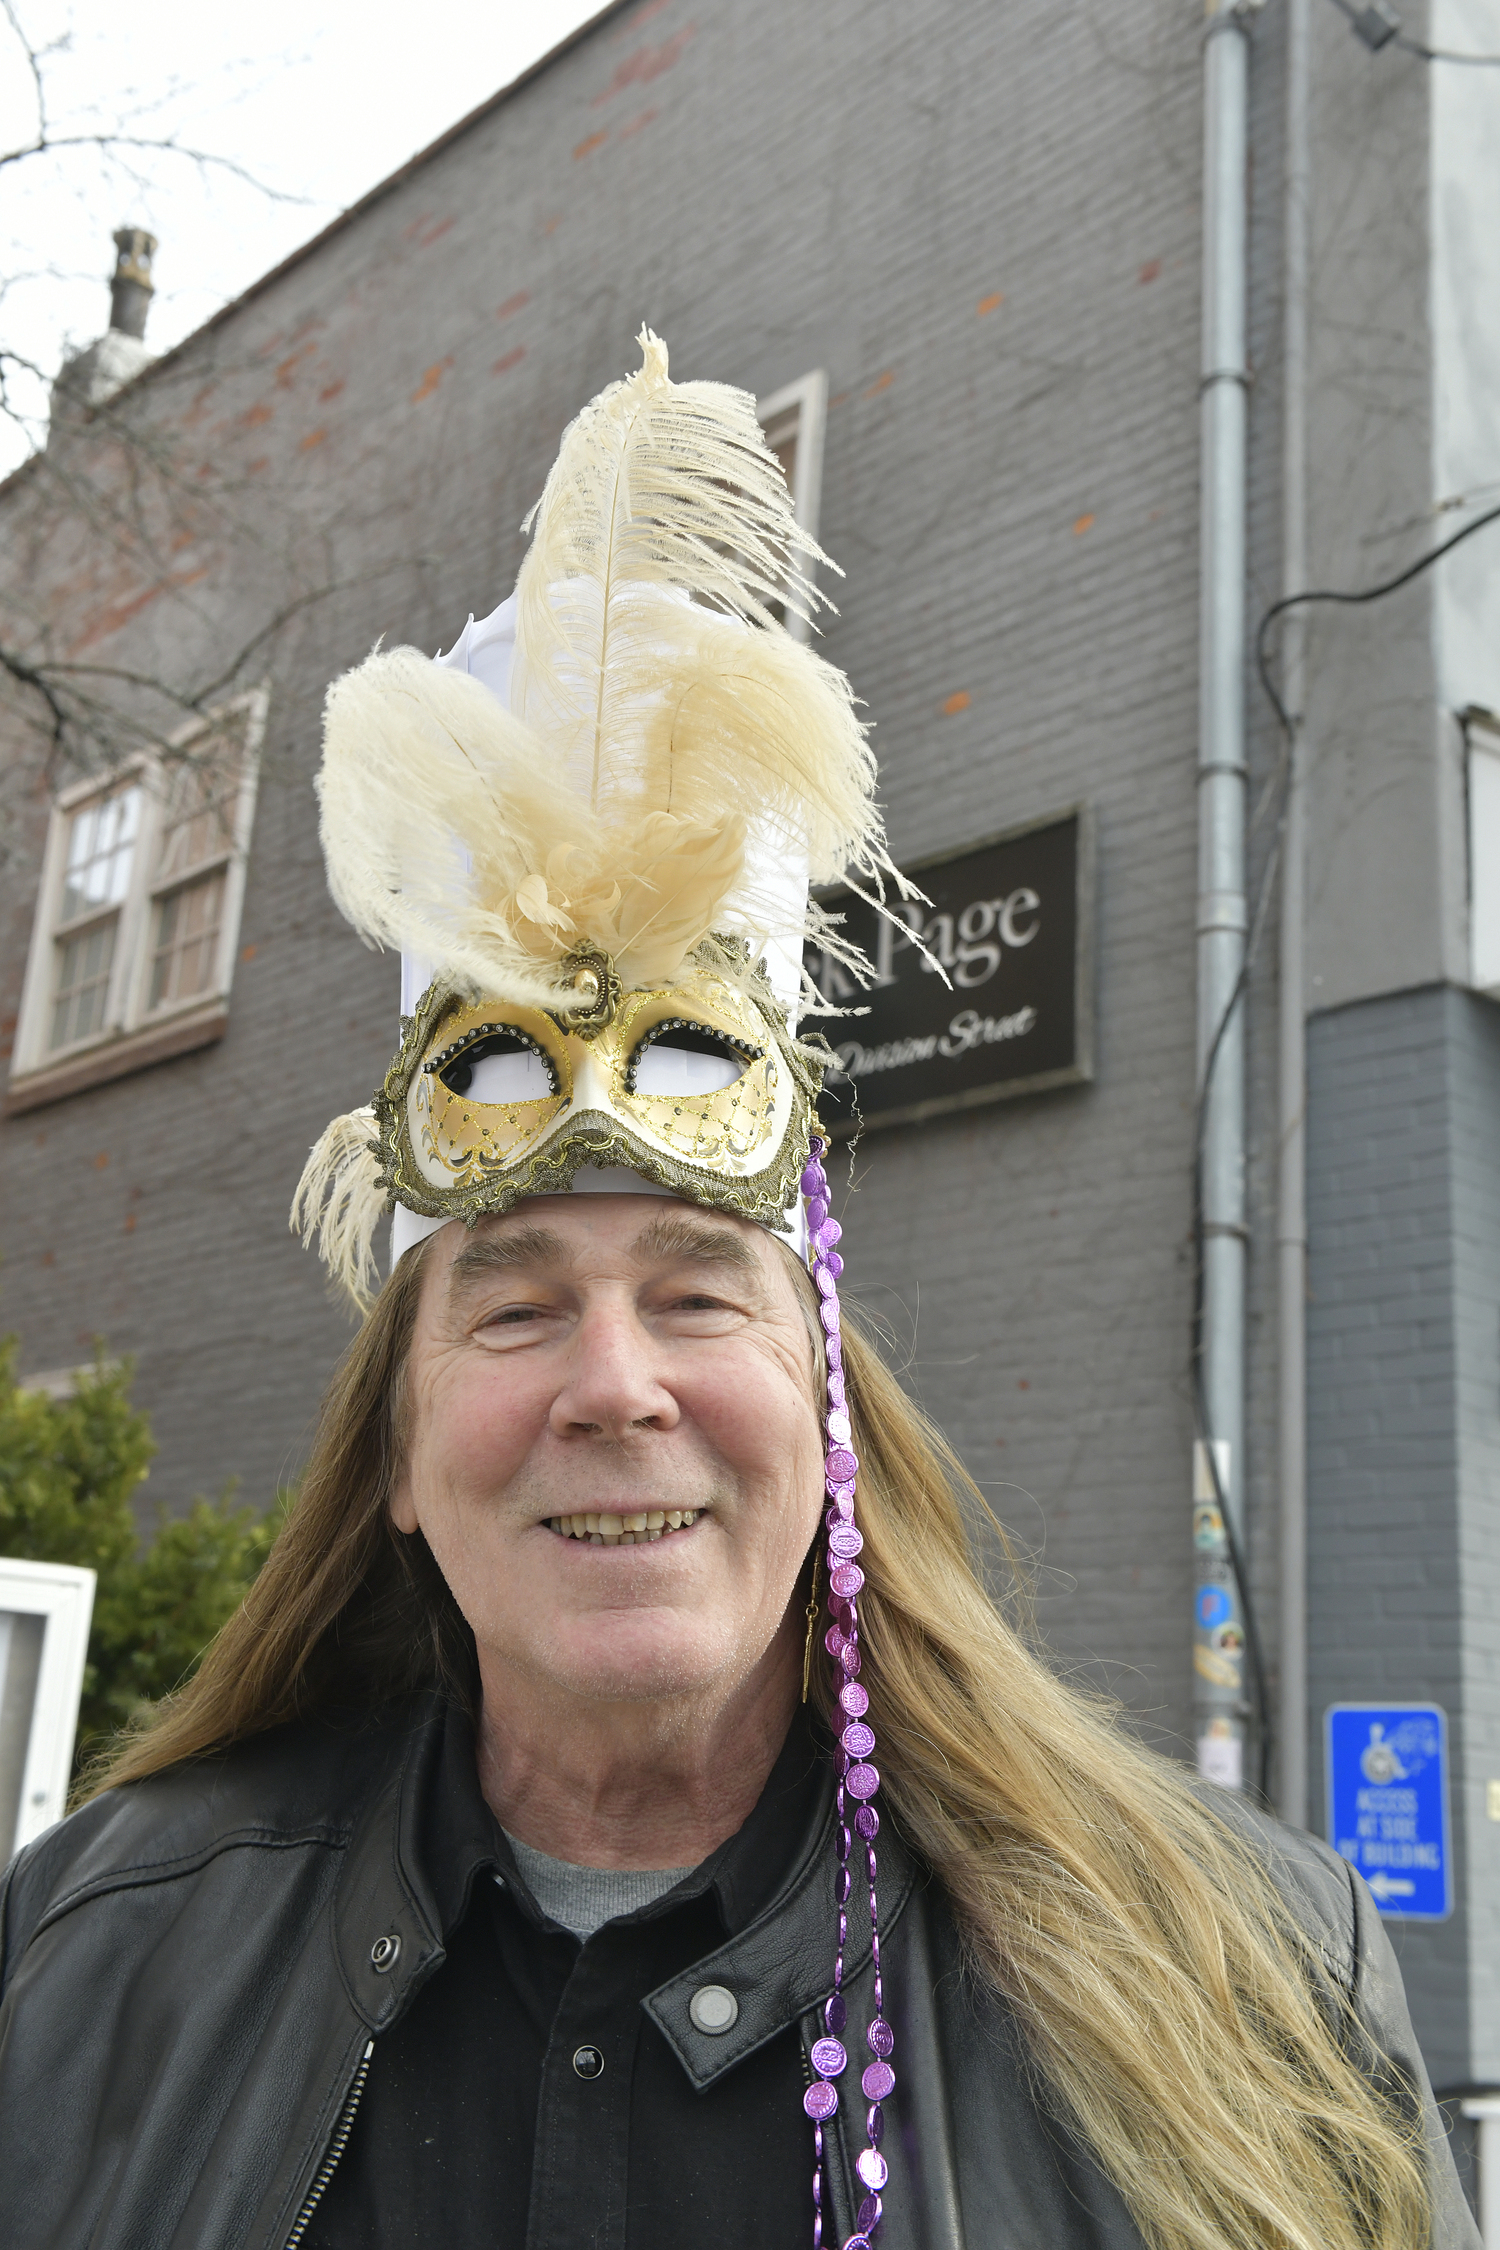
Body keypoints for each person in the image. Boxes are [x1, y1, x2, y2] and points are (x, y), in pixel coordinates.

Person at [0, 336, 1476, 2250]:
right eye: (515, 1305)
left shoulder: (1249, 1982)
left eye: (701, 1294)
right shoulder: (85, 1964)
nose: (615, 1383)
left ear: (824, 1396)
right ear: (392, 1450)